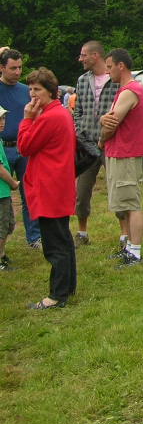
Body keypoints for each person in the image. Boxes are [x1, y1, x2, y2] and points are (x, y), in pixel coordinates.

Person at [17, 67, 77, 308]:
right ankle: (67, 288)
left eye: (37, 89)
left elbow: (24, 146)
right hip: (57, 183)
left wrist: (27, 119)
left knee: (54, 243)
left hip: (49, 185)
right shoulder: (60, 113)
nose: (32, 95)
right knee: (62, 239)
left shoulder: (50, 117)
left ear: (51, 91)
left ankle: (56, 295)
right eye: (30, 89)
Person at [99, 49, 143, 267]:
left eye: (109, 66)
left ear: (121, 66)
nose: (107, 71)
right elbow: (108, 119)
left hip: (125, 153)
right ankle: (128, 246)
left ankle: (135, 251)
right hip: (119, 152)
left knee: (131, 202)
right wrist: (103, 119)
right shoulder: (126, 91)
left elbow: (112, 122)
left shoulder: (131, 90)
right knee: (124, 203)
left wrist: (102, 136)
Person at [71, 40, 119, 247]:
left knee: (117, 189)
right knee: (81, 192)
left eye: (83, 55)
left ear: (95, 55)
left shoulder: (115, 79)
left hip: (111, 142)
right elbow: (78, 109)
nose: (80, 59)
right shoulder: (82, 80)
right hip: (87, 144)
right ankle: (82, 233)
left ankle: (125, 234)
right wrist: (79, 128)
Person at [0, 48, 42, 249]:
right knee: (2, 198)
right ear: (2, 68)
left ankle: (34, 237)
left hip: (24, 149)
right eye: (12, 68)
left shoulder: (26, 90)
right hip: (2, 150)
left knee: (30, 194)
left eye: (20, 67)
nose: (17, 72)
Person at [0, 107, 21, 270]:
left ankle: (2, 254)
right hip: (1, 192)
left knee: (8, 224)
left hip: (4, 192)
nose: (2, 122)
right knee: (2, 226)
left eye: (3, 118)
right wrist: (13, 183)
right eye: (0, 119)